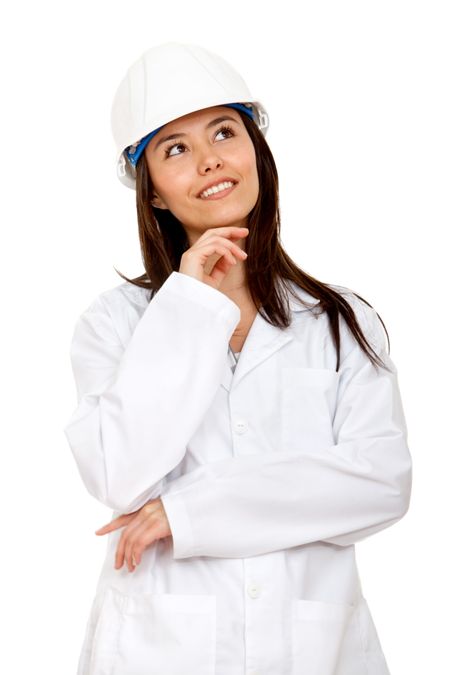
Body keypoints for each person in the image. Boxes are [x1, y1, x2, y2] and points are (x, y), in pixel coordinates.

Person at [63, 41, 413, 675]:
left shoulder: (343, 321)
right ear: (155, 195)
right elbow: (119, 474)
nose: (210, 160)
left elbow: (380, 482)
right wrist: (189, 309)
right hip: (161, 649)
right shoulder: (113, 324)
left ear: (255, 149)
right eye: (176, 149)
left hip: (315, 650)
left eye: (224, 132)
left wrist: (188, 512)